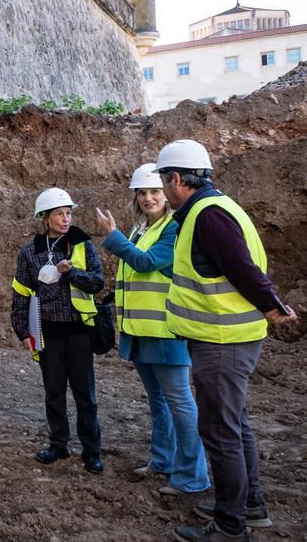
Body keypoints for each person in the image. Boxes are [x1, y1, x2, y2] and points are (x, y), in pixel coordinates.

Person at [154, 140, 297, 542]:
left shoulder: (207, 215)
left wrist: (273, 305)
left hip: (222, 341)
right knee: (234, 426)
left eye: (164, 181)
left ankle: (231, 526)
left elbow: (241, 266)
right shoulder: (215, 208)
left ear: (177, 178)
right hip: (227, 338)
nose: (163, 190)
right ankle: (249, 506)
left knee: (220, 433)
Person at [95, 164, 211, 497]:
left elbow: (146, 263)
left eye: (155, 192)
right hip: (140, 331)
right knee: (158, 401)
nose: (148, 198)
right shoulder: (140, 230)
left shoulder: (173, 229)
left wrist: (113, 237)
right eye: (142, 193)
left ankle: (193, 476)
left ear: (167, 193)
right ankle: (162, 461)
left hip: (165, 331)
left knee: (180, 403)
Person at [11, 188, 106, 474]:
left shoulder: (81, 244)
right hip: (47, 333)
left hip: (78, 331)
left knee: (84, 394)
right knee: (53, 392)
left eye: (69, 213)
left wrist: (70, 273)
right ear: (45, 217)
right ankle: (58, 444)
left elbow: (97, 282)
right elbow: (21, 291)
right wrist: (21, 328)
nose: (66, 219)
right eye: (59, 214)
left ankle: (92, 450)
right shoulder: (30, 251)